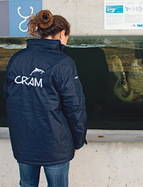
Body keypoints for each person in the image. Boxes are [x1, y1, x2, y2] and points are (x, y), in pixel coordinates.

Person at [3, 10, 87, 187]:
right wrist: (78, 139)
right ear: (62, 34)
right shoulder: (63, 63)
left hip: (23, 142)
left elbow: (10, 100)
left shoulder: (17, 59)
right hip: (55, 146)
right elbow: (75, 106)